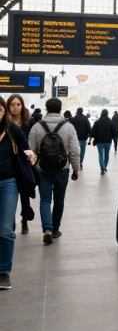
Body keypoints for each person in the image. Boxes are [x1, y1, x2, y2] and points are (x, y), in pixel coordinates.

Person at [27, 98, 80, 245]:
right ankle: (56, 229)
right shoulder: (68, 127)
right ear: (60, 109)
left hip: (43, 168)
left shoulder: (37, 127)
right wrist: (75, 169)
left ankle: (47, 229)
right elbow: (74, 151)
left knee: (45, 199)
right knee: (59, 199)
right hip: (62, 168)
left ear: (46, 109)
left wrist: (34, 167)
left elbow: (30, 151)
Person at [0, 95, 35, 290]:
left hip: (8, 183)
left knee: (5, 229)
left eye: (0, 109)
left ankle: (4, 271)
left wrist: (31, 154)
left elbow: (24, 149)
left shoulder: (12, 129)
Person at [6, 95, 34, 234]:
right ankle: (10, 222)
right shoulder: (4, 123)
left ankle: (24, 220)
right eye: (12, 104)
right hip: (8, 164)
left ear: (22, 106)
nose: (15, 107)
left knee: (24, 194)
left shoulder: (28, 122)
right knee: (7, 198)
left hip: (23, 163)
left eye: (18, 104)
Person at [90, 109, 118, 175]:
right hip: (108, 141)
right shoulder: (111, 122)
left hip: (99, 141)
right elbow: (114, 131)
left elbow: (92, 132)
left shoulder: (97, 122)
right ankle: (105, 166)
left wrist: (93, 137)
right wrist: (114, 138)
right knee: (107, 154)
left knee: (100, 155)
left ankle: (102, 167)